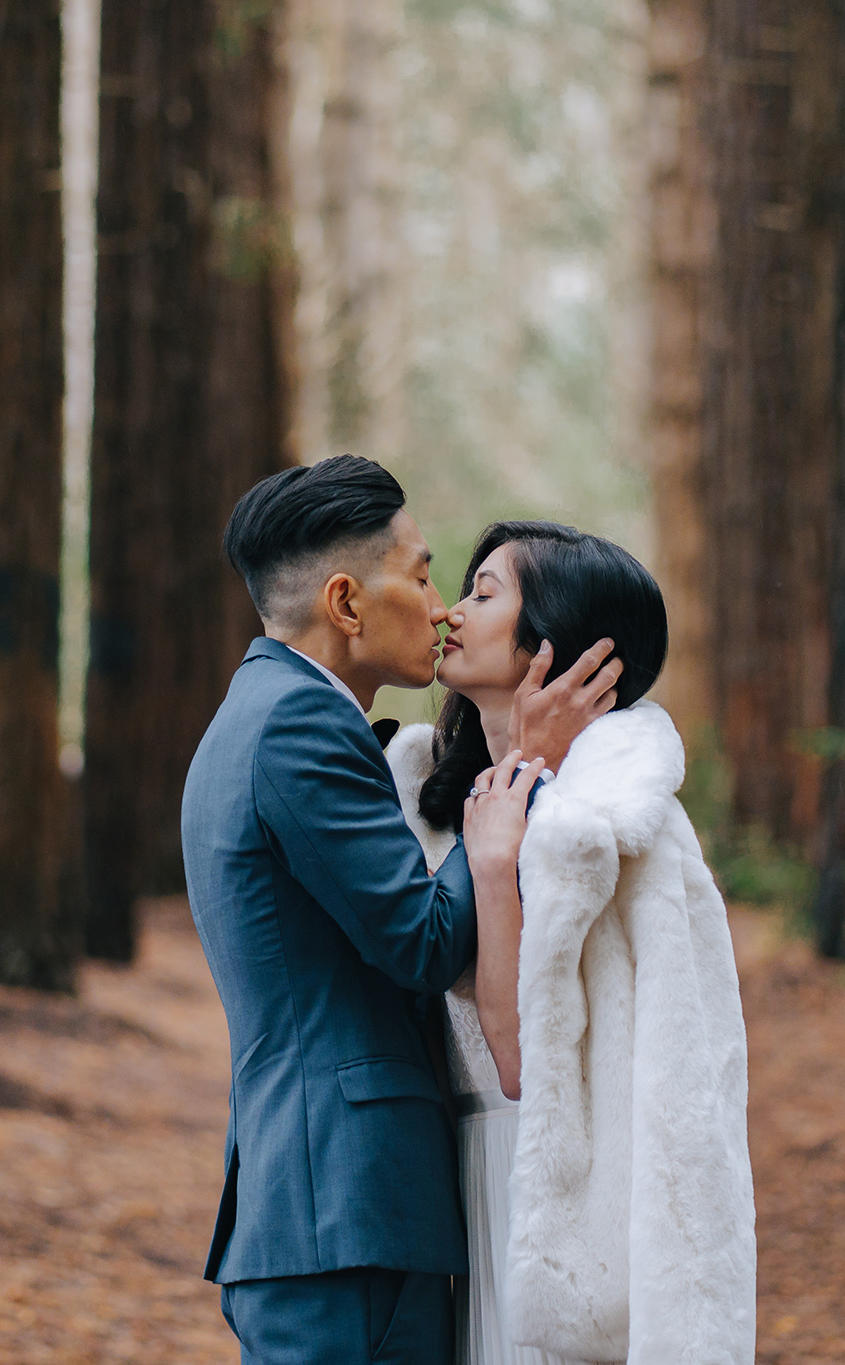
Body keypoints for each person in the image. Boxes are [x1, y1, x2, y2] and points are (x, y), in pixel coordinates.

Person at [181, 459, 621, 1365]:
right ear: (346, 602)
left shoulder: (261, 710)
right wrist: (512, 787)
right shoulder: (301, 724)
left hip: (331, 1209)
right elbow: (422, 940)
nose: (439, 604)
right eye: (420, 575)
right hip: (348, 1210)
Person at [385, 521, 756, 1365]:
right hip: (457, 1194)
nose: (452, 612)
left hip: (559, 1203)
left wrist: (498, 856)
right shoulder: (432, 802)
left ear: (551, 647)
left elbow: (523, 1058)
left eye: (485, 593)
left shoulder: (609, 823)